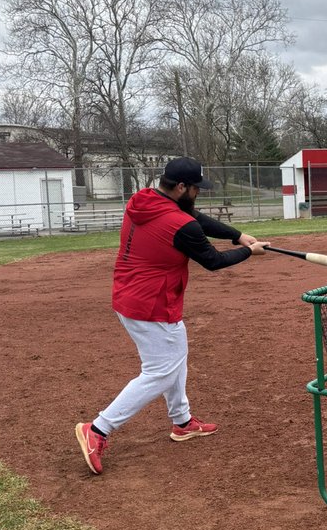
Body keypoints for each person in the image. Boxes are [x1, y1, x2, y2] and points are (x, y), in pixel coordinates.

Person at [75, 157, 266, 475]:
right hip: (151, 304)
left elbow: (192, 217)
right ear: (181, 187)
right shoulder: (180, 225)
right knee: (161, 372)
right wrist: (249, 251)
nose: (198, 193)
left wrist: (237, 235)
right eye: (195, 188)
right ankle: (97, 430)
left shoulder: (143, 199)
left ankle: (182, 422)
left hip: (132, 293)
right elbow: (213, 261)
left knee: (176, 356)